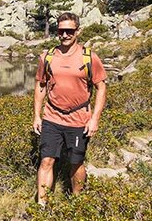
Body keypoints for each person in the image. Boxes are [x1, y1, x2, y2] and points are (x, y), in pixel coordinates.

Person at [33, 12, 107, 207]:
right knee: (46, 161)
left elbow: (101, 87)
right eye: (61, 31)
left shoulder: (89, 57)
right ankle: (41, 206)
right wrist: (36, 116)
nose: (65, 35)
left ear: (77, 31)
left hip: (78, 119)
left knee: (76, 163)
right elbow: (41, 86)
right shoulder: (47, 57)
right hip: (52, 117)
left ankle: (77, 203)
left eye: (69, 31)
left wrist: (95, 119)